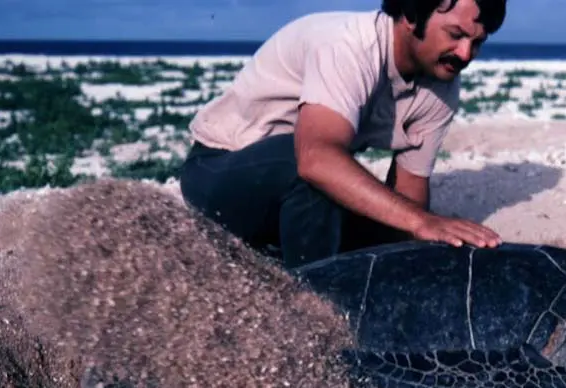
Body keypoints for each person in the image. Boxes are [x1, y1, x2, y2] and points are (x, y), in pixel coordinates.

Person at [180, 0, 506, 269]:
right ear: (410, 15)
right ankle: (315, 310)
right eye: (455, 35)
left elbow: (410, 192)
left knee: (397, 232)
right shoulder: (348, 45)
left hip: (298, 204)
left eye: (477, 42)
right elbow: (315, 160)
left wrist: (422, 231)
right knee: (318, 170)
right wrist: (422, 221)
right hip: (220, 174)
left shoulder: (441, 84)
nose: (465, 54)